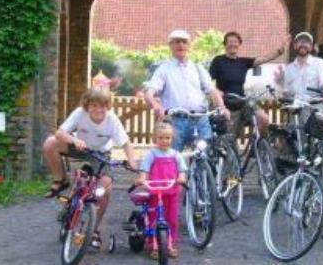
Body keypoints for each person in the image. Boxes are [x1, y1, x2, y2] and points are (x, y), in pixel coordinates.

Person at [42, 87, 137, 248]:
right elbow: (60, 133)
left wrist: (132, 161)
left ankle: (94, 229)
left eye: (102, 105)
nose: (98, 109)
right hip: (80, 148)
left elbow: (126, 143)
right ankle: (61, 180)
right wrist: (74, 140)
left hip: (100, 154)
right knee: (50, 143)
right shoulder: (80, 113)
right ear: (87, 105)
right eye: (93, 105)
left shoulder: (111, 119)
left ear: (107, 106)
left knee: (105, 188)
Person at [144, 29, 229, 151]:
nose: (181, 45)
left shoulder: (197, 68)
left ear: (189, 46)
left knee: (205, 157)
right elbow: (149, 92)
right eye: (177, 42)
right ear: (170, 46)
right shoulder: (164, 69)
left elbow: (212, 90)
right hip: (177, 121)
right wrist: (155, 105)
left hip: (200, 119)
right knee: (173, 159)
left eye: (184, 42)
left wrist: (222, 107)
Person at [209, 31, 289, 137]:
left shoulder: (243, 62)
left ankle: (257, 148)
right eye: (230, 41)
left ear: (239, 44)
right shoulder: (218, 61)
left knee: (264, 120)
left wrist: (280, 50)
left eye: (235, 41)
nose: (233, 44)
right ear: (225, 44)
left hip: (243, 101)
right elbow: (208, 83)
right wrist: (217, 95)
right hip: (227, 104)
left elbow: (264, 59)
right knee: (230, 139)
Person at [135, 121, 187, 259]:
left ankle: (170, 244)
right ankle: (153, 244)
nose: (164, 141)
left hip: (172, 192)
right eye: (161, 138)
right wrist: (142, 178)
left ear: (172, 138)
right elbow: (145, 169)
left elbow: (182, 170)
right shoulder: (151, 154)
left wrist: (181, 178)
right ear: (155, 139)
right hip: (156, 192)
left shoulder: (176, 154)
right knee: (154, 218)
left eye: (168, 138)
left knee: (172, 219)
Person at [276, 31, 323, 103]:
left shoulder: (319, 63)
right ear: (294, 46)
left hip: (315, 108)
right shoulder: (289, 69)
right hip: (295, 110)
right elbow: (286, 92)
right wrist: (280, 83)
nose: (303, 44)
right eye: (300, 42)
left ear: (311, 47)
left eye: (306, 42)